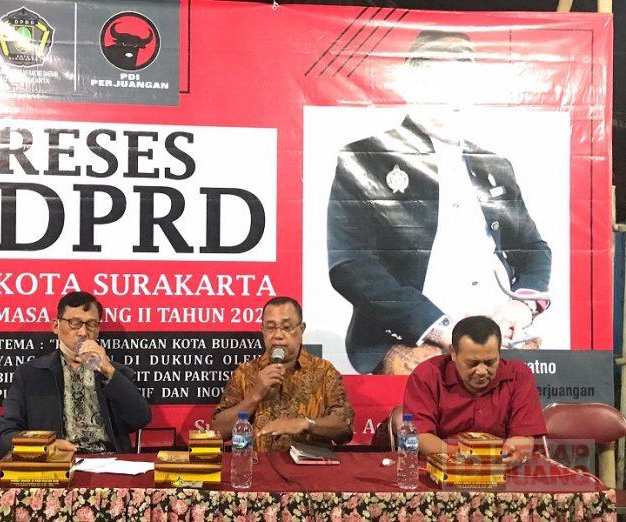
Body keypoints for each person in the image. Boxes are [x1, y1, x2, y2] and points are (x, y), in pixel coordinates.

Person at [327, 29, 551, 375]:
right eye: (439, 79)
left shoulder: (495, 166)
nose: (452, 93)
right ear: (412, 85)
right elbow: (350, 266)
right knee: (427, 395)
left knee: (536, 395)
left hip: (498, 334)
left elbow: (533, 249)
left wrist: (521, 307)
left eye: (462, 80)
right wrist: (438, 326)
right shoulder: (366, 157)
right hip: (412, 336)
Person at [0, 291, 151, 457]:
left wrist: (110, 372)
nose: (83, 332)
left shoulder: (116, 373)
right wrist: (45, 445)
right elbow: (5, 436)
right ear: (56, 326)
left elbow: (140, 419)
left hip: (109, 461)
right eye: (74, 323)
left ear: (98, 330)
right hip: (56, 462)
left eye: (91, 324)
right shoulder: (31, 374)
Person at [211, 296, 354, 452]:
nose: (278, 335)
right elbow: (218, 432)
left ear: (301, 329)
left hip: (311, 465)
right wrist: (254, 396)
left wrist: (305, 424)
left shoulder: (324, 371)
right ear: (263, 330)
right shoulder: (245, 372)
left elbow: (343, 428)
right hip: (258, 464)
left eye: (286, 327)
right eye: (270, 327)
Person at [403, 315, 546, 467]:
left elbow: (523, 437)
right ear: (453, 353)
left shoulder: (518, 375)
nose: (481, 371)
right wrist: (469, 458)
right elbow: (421, 436)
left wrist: (510, 454)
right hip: (444, 466)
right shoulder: (427, 375)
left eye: (490, 362)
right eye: (472, 363)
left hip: (501, 468)